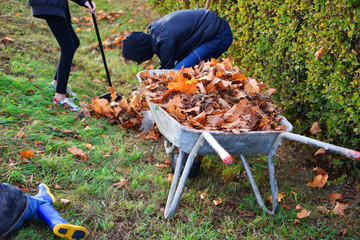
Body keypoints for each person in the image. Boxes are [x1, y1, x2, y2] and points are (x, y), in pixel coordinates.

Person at [28, 0, 97, 111]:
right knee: (68, 48)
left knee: (74, 43)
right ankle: (59, 96)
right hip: (50, 3)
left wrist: (84, 2)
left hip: (53, 4)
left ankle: (56, 83)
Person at [121, 8, 233, 70]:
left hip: (219, 36)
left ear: (140, 51)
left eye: (138, 59)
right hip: (210, 32)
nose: (141, 61)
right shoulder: (155, 31)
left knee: (178, 71)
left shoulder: (164, 41)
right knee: (183, 66)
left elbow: (167, 73)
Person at [0, 182, 88, 239]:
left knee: (32, 203)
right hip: (13, 209)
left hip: (4, 230)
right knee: (39, 204)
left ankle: (42, 197)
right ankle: (57, 221)